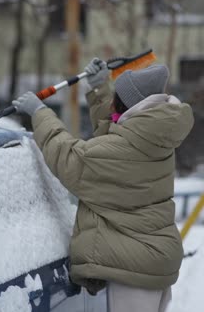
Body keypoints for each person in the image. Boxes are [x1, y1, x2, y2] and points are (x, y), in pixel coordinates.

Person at [12, 58, 194, 312]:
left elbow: (69, 157)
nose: (112, 103)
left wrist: (40, 113)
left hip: (132, 272)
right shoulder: (154, 134)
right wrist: (98, 87)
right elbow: (116, 135)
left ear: (128, 106)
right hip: (151, 261)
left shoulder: (120, 150)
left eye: (115, 98)